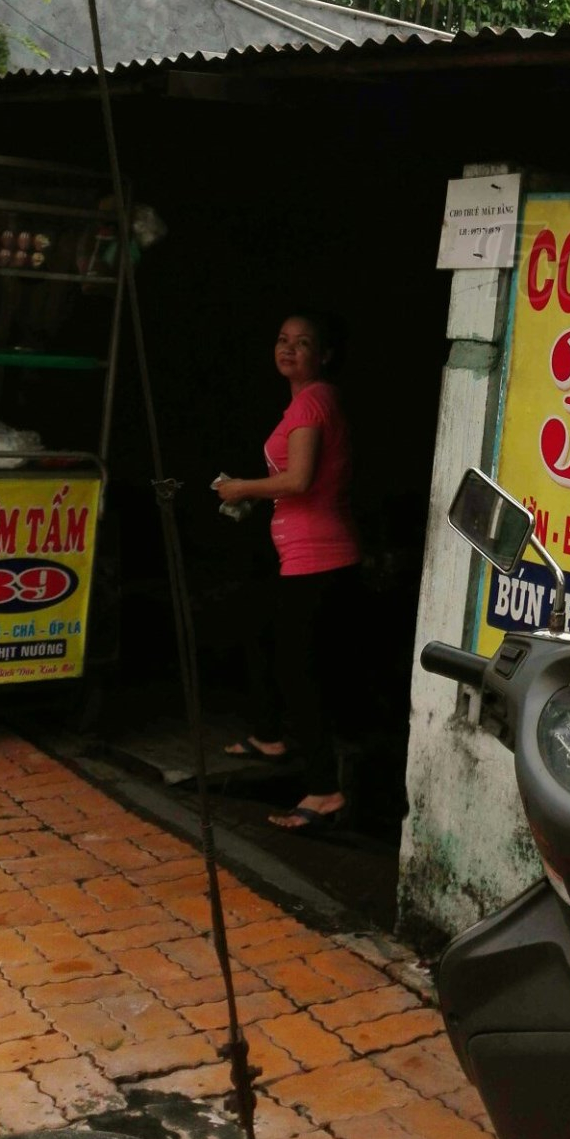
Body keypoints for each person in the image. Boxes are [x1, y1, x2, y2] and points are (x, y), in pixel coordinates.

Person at [214, 313, 361, 833]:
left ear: (324, 355)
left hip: (318, 556)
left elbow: (298, 480)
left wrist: (241, 489)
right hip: (305, 555)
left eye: (303, 342)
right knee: (267, 639)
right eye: (282, 340)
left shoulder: (312, 402)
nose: (289, 348)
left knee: (300, 674)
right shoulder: (313, 401)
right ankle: (269, 736)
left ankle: (325, 790)